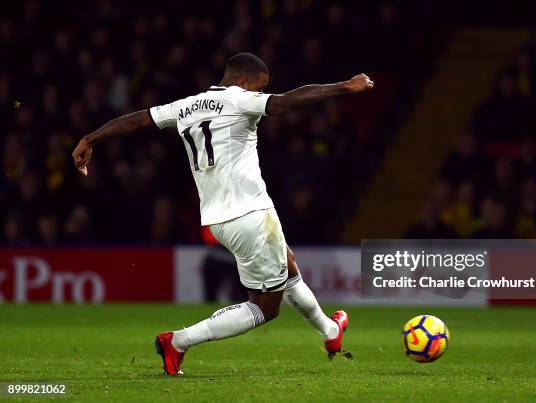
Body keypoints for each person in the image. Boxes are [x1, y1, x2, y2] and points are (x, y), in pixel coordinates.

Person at [72, 52, 374, 375]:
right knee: (264, 307)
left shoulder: (186, 106)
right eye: (259, 88)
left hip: (218, 218)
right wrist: (344, 87)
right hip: (250, 213)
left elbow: (139, 119)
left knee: (287, 263)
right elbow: (286, 102)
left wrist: (91, 138)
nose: (260, 94)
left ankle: (330, 332)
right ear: (242, 82)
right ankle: (178, 341)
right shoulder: (238, 99)